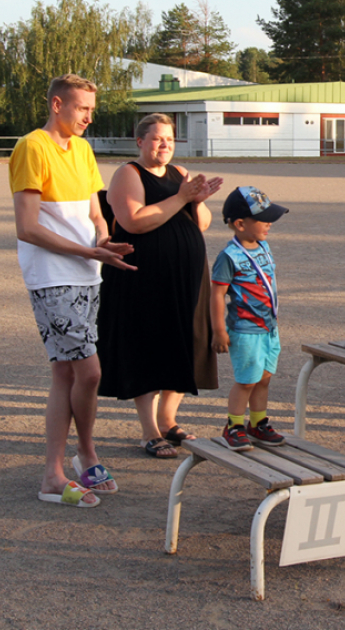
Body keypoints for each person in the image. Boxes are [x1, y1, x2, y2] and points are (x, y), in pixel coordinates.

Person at [9, 73, 132, 507]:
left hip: (85, 271)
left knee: (66, 371)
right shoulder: (31, 147)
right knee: (90, 371)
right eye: (82, 109)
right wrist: (88, 250)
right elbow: (28, 227)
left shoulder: (81, 149)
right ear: (57, 105)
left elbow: (96, 213)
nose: (88, 118)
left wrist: (101, 242)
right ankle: (82, 456)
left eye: (91, 111)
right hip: (52, 276)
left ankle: (58, 472)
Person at [97, 113, 222, 459]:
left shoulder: (180, 174)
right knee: (149, 345)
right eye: (156, 139)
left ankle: (169, 419)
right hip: (145, 277)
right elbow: (134, 221)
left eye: (169, 138)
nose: (165, 144)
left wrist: (197, 200)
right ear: (140, 142)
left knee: (187, 340)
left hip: (187, 274)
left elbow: (204, 224)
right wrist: (183, 198)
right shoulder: (129, 174)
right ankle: (149, 430)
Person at [211, 186, 289, 451]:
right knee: (246, 380)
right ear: (241, 224)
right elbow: (217, 294)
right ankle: (233, 425)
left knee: (264, 377)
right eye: (263, 219)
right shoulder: (228, 256)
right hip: (245, 329)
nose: (269, 224)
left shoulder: (263, 246)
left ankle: (257, 423)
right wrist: (219, 330)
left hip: (268, 327)